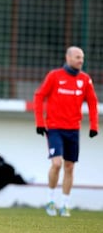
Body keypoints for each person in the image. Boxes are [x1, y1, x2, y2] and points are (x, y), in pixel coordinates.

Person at [34, 46, 98, 217]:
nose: (81, 60)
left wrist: (94, 125)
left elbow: (92, 102)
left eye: (82, 57)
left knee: (69, 167)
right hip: (54, 128)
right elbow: (39, 96)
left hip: (73, 130)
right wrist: (40, 122)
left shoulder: (85, 80)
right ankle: (50, 200)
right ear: (68, 57)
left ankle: (65, 204)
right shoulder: (54, 76)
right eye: (77, 57)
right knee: (56, 164)